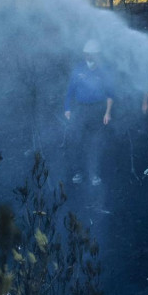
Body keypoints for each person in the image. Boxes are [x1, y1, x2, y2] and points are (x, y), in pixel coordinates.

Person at [64, 40, 114, 186]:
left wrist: (107, 113)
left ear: (97, 55)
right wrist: (67, 108)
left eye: (92, 54)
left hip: (97, 110)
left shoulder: (104, 71)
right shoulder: (78, 69)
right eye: (87, 54)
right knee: (77, 141)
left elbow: (110, 94)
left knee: (95, 144)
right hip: (80, 109)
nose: (89, 57)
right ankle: (77, 172)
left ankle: (94, 174)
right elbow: (70, 90)